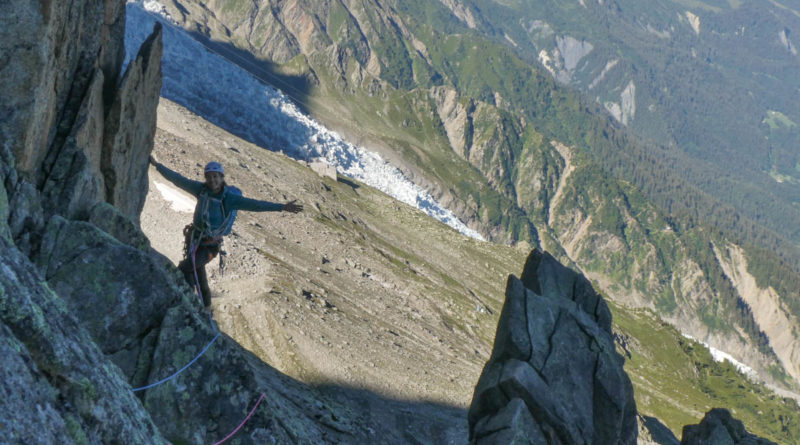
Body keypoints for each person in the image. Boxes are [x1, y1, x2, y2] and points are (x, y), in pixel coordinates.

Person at [149, 155, 303, 311]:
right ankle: (206, 308)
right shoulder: (201, 190)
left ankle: (187, 304)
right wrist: (157, 165)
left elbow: (255, 205)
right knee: (199, 276)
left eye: (215, 177)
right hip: (195, 241)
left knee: (186, 268)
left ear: (222, 178)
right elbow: (179, 180)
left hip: (210, 246)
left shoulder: (230, 199)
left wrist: (282, 207)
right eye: (209, 177)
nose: (212, 180)